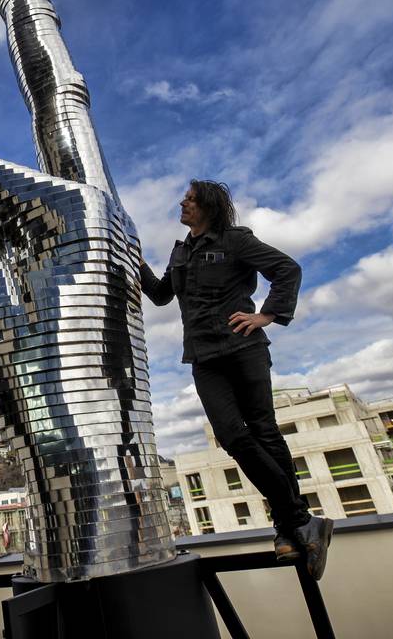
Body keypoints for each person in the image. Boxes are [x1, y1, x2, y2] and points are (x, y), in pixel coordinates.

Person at [140, 179, 334, 579]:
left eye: (190, 199)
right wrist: (131, 261)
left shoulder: (236, 241)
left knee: (264, 430)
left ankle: (288, 527)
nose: (183, 202)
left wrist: (267, 315)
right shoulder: (181, 250)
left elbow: (287, 269)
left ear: (208, 205)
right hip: (203, 357)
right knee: (232, 436)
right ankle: (299, 519)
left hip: (243, 348)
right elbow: (161, 295)